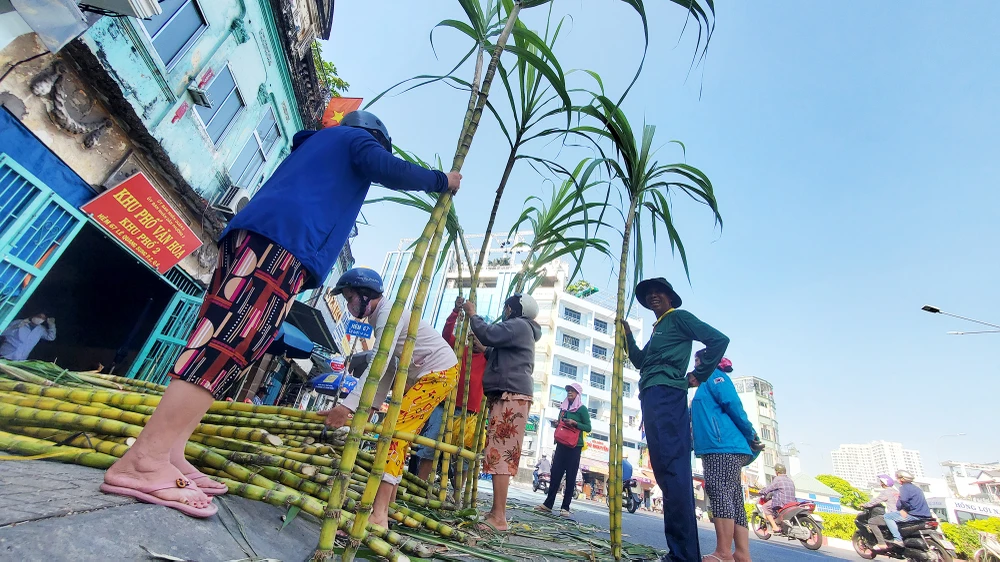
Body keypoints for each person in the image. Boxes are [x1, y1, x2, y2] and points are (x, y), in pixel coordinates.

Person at [100, 111, 462, 519]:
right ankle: (145, 461)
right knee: (224, 344)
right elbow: (383, 166)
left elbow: (386, 369)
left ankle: (170, 451)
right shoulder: (351, 141)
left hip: (268, 241)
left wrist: (350, 403)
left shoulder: (318, 146)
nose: (346, 303)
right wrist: (441, 181)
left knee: (230, 346)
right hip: (281, 244)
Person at [321, 267, 459, 528]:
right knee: (398, 433)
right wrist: (372, 404)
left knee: (394, 432)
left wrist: (347, 406)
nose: (348, 305)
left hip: (438, 373)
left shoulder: (387, 313)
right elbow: (391, 368)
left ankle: (379, 514)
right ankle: (390, 502)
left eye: (349, 298)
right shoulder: (379, 316)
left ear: (365, 295)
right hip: (432, 374)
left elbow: (379, 363)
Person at [621, 277, 729, 562]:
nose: (653, 296)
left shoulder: (678, 318)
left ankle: (683, 556)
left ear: (670, 297)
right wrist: (627, 336)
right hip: (653, 395)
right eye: (649, 294)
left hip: (669, 394)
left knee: (674, 472)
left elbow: (719, 340)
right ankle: (681, 553)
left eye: (659, 292)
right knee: (665, 474)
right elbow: (641, 361)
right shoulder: (658, 329)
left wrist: (698, 375)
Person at [462, 293, 542, 531]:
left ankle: (499, 517)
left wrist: (472, 314)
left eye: (508, 307)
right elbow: (501, 354)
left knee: (501, 454)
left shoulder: (518, 325)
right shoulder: (522, 329)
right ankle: (496, 512)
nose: (505, 311)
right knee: (498, 453)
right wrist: (485, 349)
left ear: (515, 310)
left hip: (511, 395)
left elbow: (489, 333)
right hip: (509, 394)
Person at [689, 352, 761, 562]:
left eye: (697, 362)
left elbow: (733, 404)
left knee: (719, 490)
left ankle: (723, 552)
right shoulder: (706, 383)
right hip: (721, 446)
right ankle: (741, 553)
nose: (695, 366)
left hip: (722, 445)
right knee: (733, 497)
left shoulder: (714, 376)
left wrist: (750, 433)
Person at [414, 296, 487, 489]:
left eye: (480, 335)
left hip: (470, 415)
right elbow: (446, 334)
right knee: (430, 448)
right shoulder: (457, 349)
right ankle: (420, 487)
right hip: (444, 406)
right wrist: (456, 312)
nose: (475, 338)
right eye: (473, 333)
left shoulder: (490, 358)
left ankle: (456, 495)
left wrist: (486, 348)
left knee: (464, 459)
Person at [536, 382, 592, 516]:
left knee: (571, 477)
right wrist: (557, 423)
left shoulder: (582, 409)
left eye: (572, 391)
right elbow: (561, 424)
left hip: (574, 447)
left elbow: (588, 427)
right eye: (568, 391)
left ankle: (565, 508)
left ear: (578, 394)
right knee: (555, 474)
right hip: (561, 445)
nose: (569, 393)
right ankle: (548, 504)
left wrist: (575, 423)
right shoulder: (563, 408)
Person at [881, 470, 932, 549]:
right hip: (926, 515)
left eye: (898, 478)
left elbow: (903, 501)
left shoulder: (904, 488)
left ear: (902, 479)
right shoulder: (917, 488)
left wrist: (905, 509)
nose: (897, 480)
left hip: (914, 515)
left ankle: (898, 539)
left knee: (887, 516)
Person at [861, 474, 899, 549]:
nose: (880, 483)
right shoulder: (896, 491)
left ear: (884, 483)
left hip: (892, 516)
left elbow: (875, 501)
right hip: (900, 515)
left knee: (872, 521)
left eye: (881, 482)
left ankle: (881, 543)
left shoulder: (886, 492)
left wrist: (865, 505)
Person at [760, 464, 796, 535]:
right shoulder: (790, 480)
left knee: (765, 507)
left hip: (782, 502)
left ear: (777, 472)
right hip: (792, 503)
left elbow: (769, 488)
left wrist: (762, 492)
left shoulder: (777, 479)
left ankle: (775, 527)